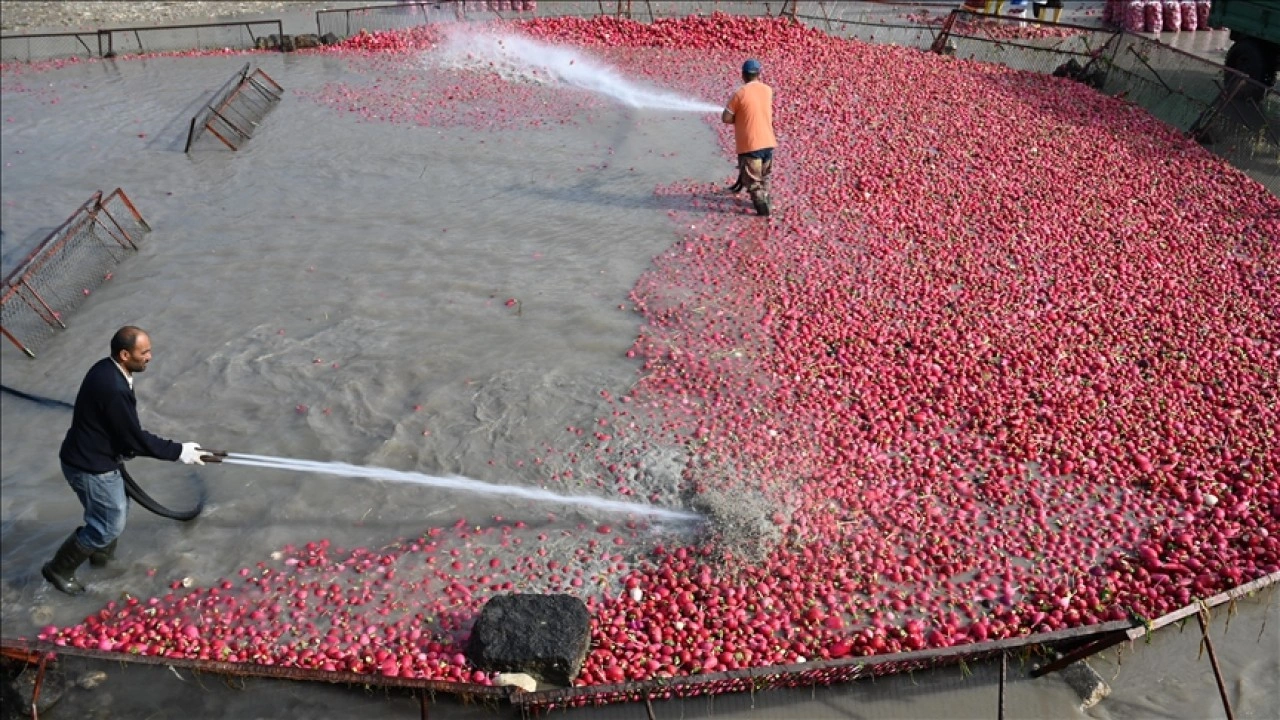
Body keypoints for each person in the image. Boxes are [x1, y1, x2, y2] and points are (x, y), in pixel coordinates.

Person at [42, 326, 213, 595]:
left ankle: (100, 557)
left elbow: (122, 434)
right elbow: (134, 438)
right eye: (144, 352)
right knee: (109, 522)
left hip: (90, 457)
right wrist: (180, 451)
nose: (150, 357)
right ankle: (58, 570)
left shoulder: (107, 370)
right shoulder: (113, 388)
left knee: (114, 511)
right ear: (124, 354)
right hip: (90, 467)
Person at [722, 58, 777, 217]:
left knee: (753, 183)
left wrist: (738, 118)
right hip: (768, 142)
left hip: (750, 145)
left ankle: (762, 211)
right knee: (764, 177)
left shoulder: (739, 94)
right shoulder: (768, 90)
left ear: (743, 76)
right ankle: (766, 199)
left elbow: (726, 118)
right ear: (759, 74)